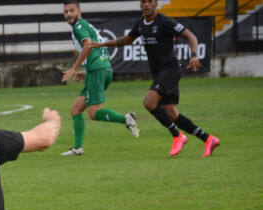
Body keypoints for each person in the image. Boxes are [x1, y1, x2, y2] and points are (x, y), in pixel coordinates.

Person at [91, 0, 220, 157]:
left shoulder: (165, 21)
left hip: (171, 69)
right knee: (172, 114)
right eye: (143, 2)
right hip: (160, 73)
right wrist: (102, 44)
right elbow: (124, 40)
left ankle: (177, 136)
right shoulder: (140, 24)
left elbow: (190, 36)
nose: (146, 4)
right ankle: (208, 139)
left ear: (156, 4)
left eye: (150, 1)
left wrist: (194, 55)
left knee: (149, 102)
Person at [60, 0, 139, 156]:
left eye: (72, 11)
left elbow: (88, 46)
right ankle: (77, 148)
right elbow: (94, 48)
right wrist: (86, 71)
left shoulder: (79, 27)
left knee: (94, 112)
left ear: (79, 12)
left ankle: (126, 119)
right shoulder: (86, 25)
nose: (68, 14)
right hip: (102, 68)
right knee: (76, 109)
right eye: (66, 12)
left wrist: (74, 68)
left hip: (97, 70)